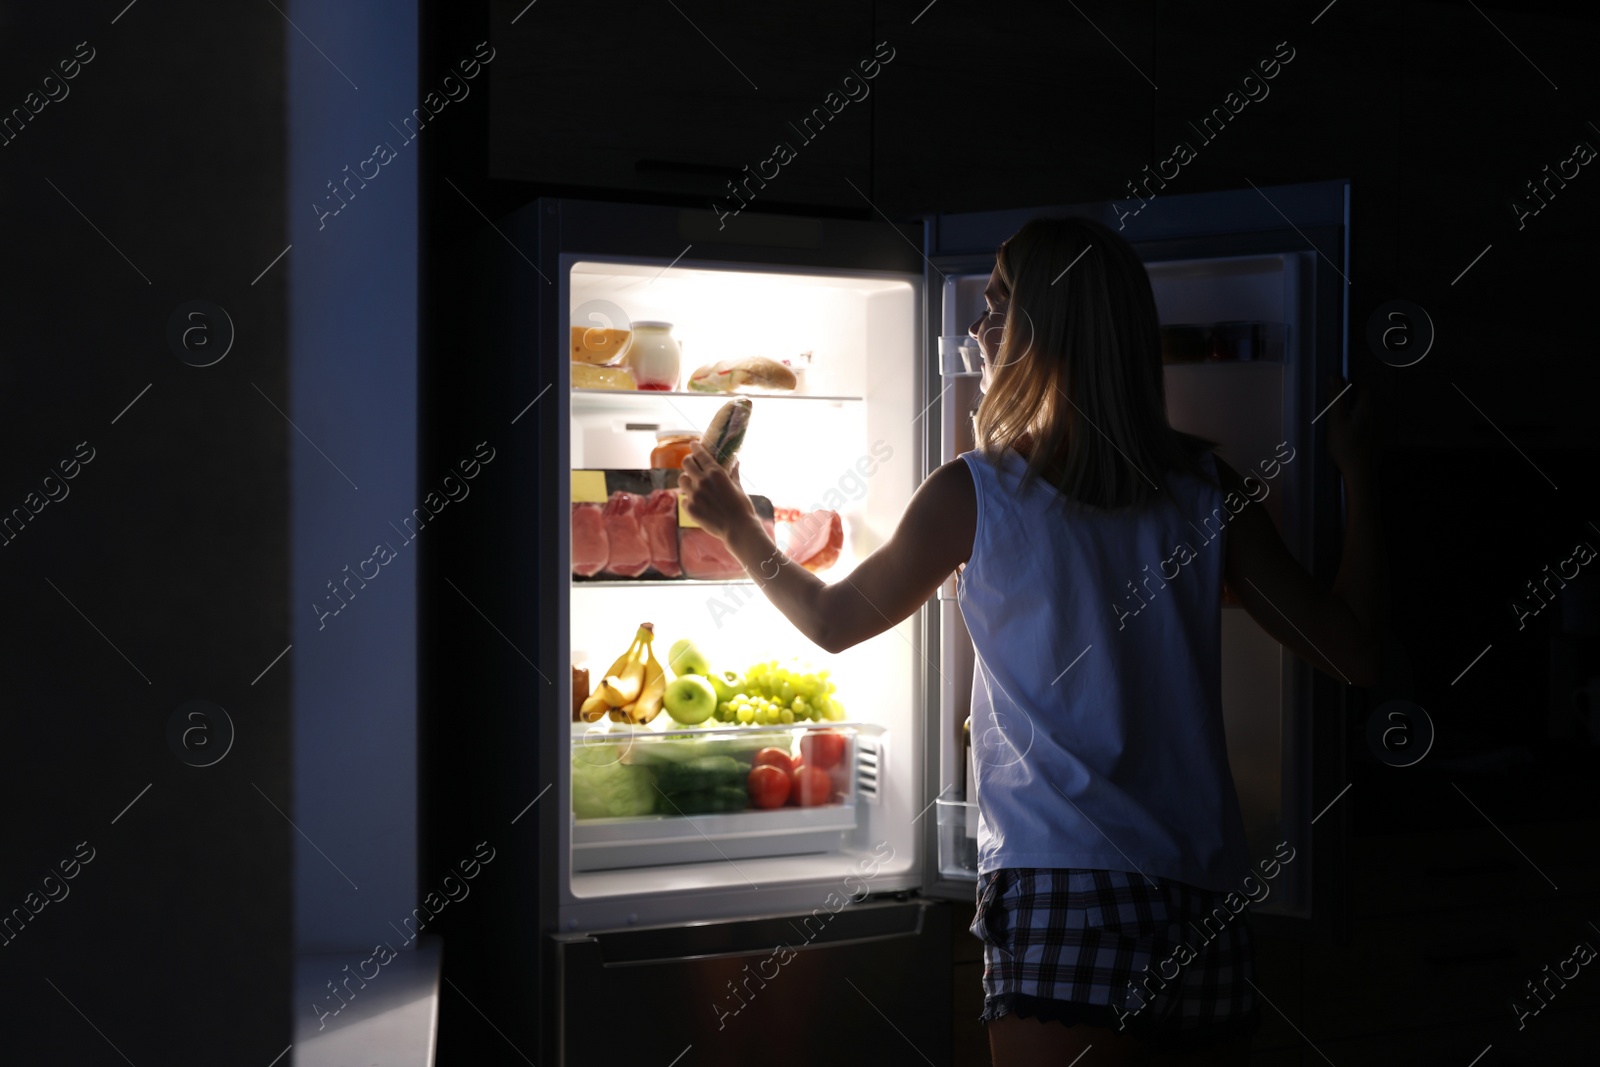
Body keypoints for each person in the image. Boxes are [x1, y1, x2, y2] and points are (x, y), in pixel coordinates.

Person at [677, 216, 1384, 1065]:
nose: (979, 326)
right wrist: (1362, 472)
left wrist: (737, 524)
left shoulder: (976, 492)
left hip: (1058, 879)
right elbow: (1354, 651)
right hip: (1198, 892)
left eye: (1001, 305)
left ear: (1050, 331)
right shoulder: (1206, 489)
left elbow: (833, 621)